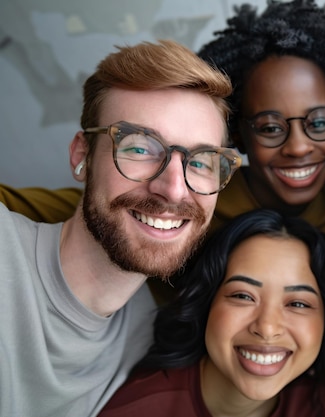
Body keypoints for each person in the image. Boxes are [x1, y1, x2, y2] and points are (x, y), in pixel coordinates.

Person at [1, 0, 325, 255]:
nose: (299, 147)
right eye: (269, 127)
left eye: (318, 123)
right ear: (237, 135)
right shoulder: (185, 197)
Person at [0, 40, 242, 417]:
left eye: (200, 161)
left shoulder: (149, 340)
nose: (174, 189)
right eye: (140, 148)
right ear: (82, 156)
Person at [98, 209, 325, 417]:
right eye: (243, 296)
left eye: (298, 304)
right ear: (205, 304)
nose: (267, 328)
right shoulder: (136, 408)